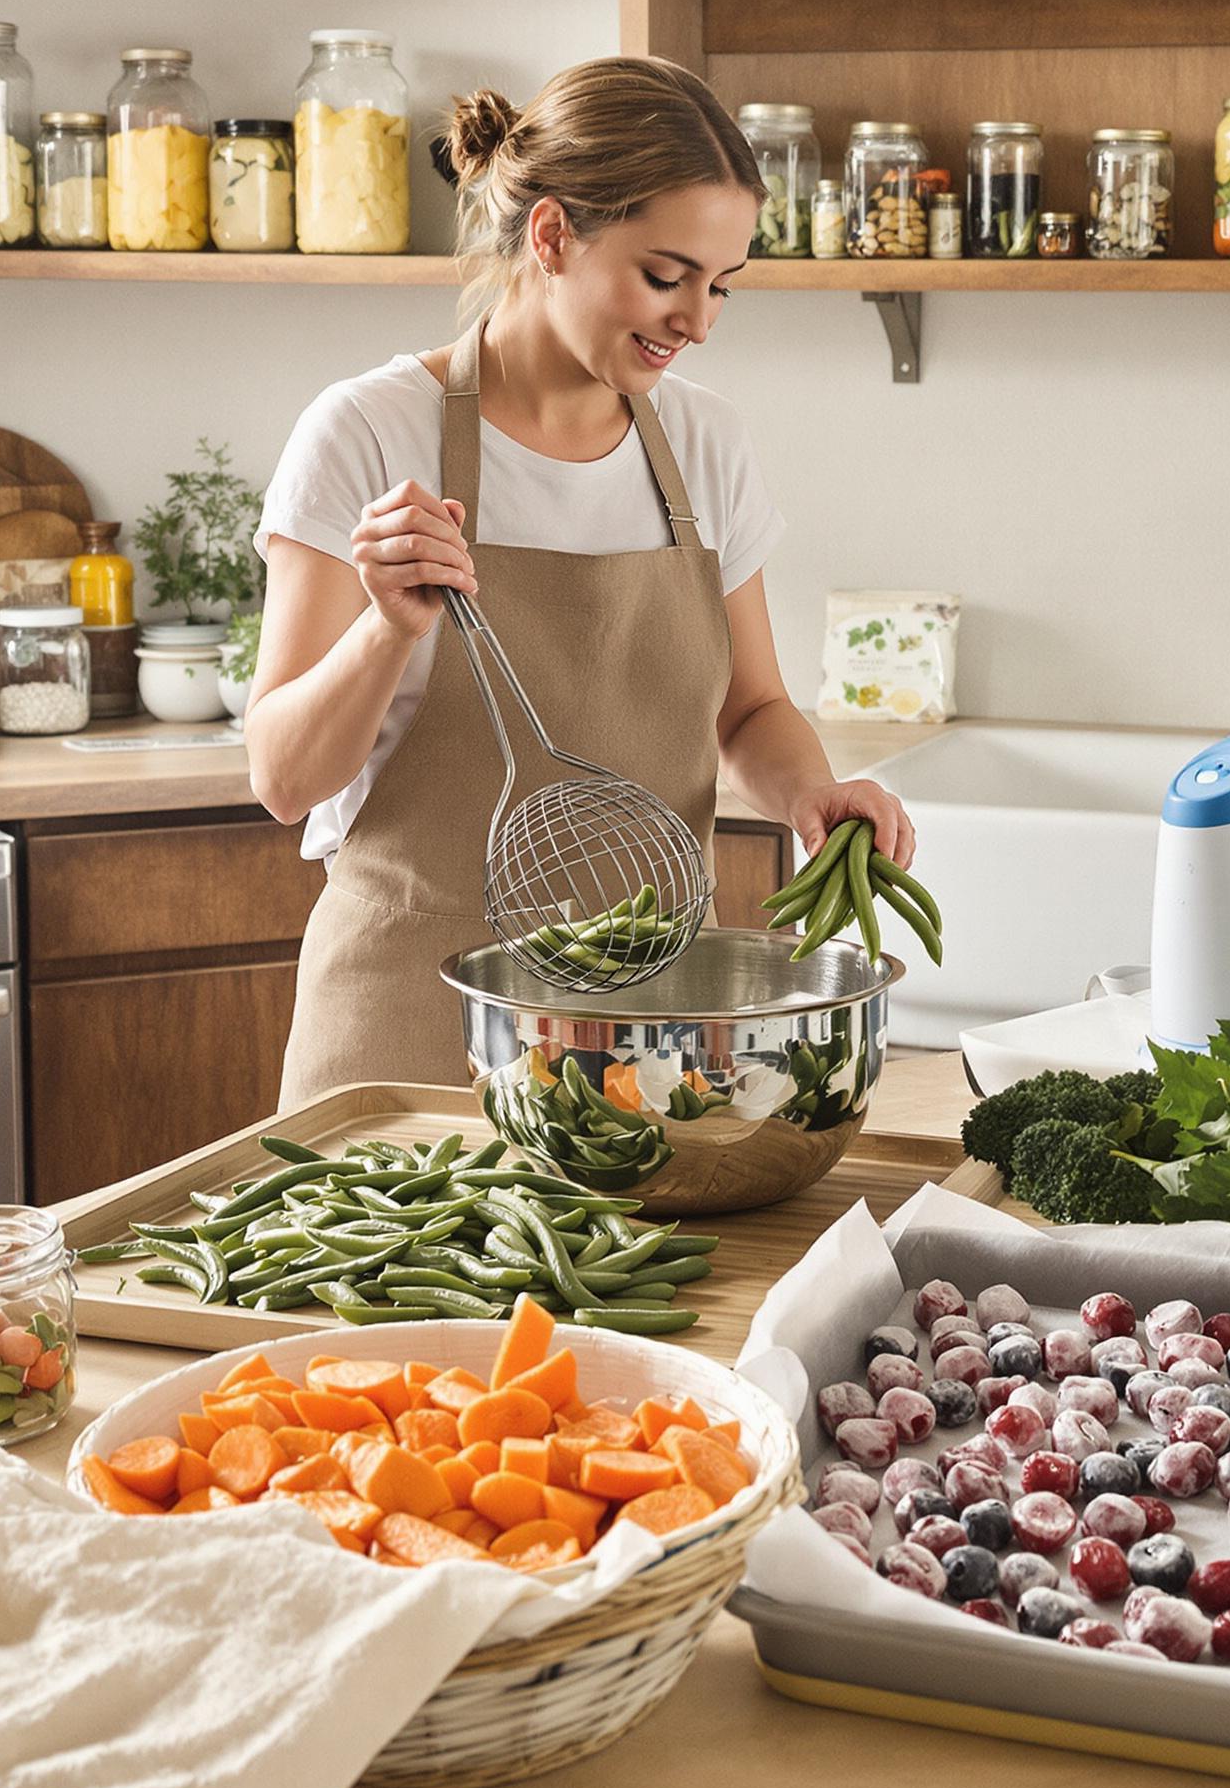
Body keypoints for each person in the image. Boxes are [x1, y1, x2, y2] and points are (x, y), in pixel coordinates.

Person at [247, 56, 916, 1107]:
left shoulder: (703, 442)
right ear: (553, 236)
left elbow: (750, 707)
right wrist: (384, 630)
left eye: (721, 285)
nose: (696, 320)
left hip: (642, 1055)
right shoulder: (370, 431)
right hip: (404, 1047)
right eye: (665, 275)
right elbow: (283, 777)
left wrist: (808, 794)